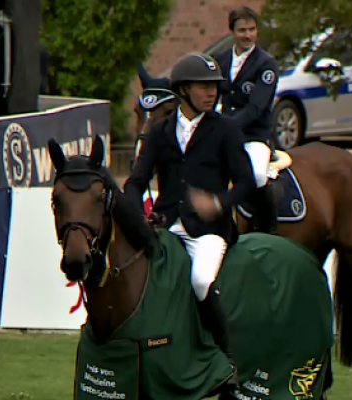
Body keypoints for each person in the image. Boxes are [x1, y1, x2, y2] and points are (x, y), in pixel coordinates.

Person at [124, 52, 255, 385]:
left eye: (214, 87)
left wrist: (218, 203)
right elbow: (137, 181)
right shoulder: (160, 132)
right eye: (203, 86)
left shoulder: (226, 129)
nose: (212, 92)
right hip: (167, 226)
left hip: (208, 230)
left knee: (199, 281)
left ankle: (226, 361)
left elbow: (244, 182)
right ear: (183, 90)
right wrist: (135, 214)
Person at [213, 6, 281, 234]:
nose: (248, 35)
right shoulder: (219, 61)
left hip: (254, 136)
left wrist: (225, 127)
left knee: (258, 175)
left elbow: (256, 108)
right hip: (221, 133)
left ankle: (266, 227)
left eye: (252, 30)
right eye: (242, 30)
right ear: (232, 31)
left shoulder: (266, 65)